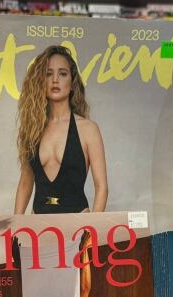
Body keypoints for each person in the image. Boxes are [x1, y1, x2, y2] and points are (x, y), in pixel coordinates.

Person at [14, 45, 108, 214]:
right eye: (49, 74)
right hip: (38, 227)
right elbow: (25, 184)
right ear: (41, 81)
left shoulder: (88, 129)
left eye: (63, 73)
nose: (55, 79)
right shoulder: (32, 128)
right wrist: (15, 230)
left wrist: (91, 233)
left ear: (72, 83)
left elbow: (101, 187)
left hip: (78, 226)